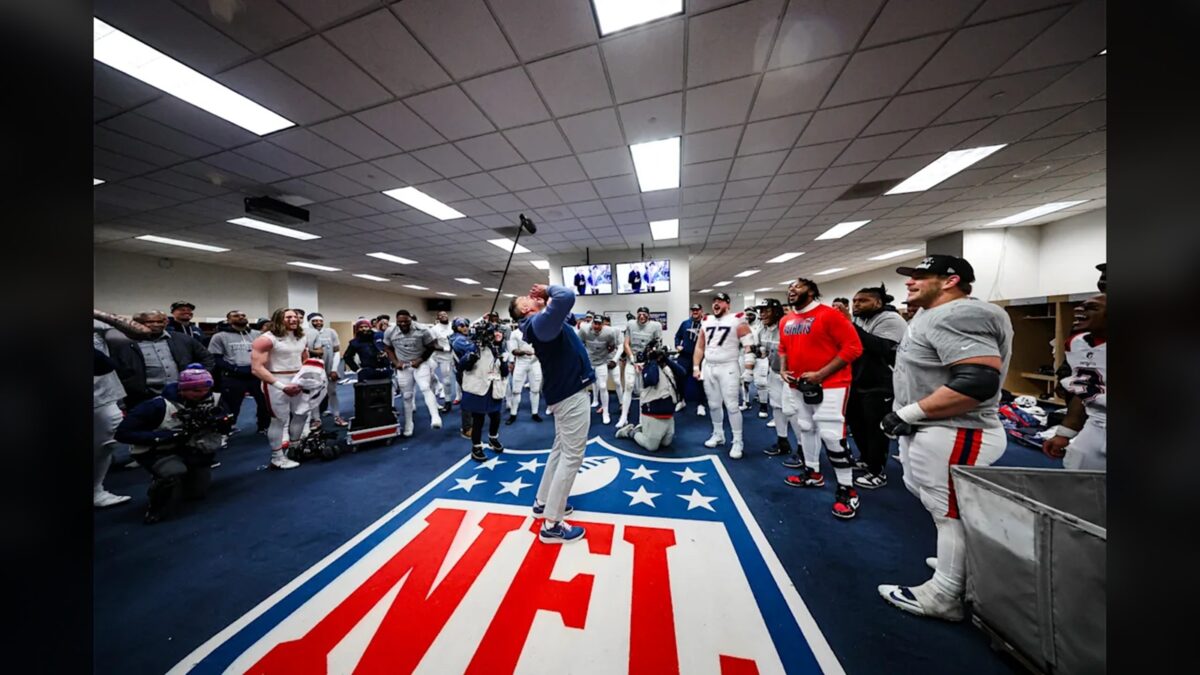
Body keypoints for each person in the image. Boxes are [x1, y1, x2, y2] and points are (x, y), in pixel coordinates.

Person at [877, 255, 1013, 621]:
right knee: (926, 494)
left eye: (921, 276)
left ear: (950, 280)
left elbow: (977, 382)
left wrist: (907, 413)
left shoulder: (960, 313)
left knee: (949, 512)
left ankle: (945, 594)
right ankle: (962, 565)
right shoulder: (929, 314)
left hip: (957, 428)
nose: (909, 283)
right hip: (934, 428)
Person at [509, 284, 596, 544]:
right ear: (525, 309)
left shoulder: (541, 324)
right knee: (572, 457)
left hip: (563, 392)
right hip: (570, 394)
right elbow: (567, 297)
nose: (531, 296)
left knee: (560, 451)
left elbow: (567, 314)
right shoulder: (539, 324)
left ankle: (543, 503)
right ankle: (552, 524)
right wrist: (548, 290)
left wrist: (546, 299)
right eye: (526, 297)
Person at [778, 277, 864, 519]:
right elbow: (783, 348)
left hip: (832, 384)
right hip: (798, 384)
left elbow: (853, 348)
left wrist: (821, 374)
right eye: (789, 287)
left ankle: (848, 490)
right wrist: (784, 369)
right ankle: (812, 473)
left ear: (812, 291)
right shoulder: (787, 320)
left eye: (797, 286)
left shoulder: (830, 315)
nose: (791, 289)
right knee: (805, 428)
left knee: (831, 435)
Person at [114, 364, 235, 523]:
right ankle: (156, 505)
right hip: (159, 449)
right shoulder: (156, 406)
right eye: (196, 391)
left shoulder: (215, 399)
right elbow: (122, 433)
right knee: (172, 473)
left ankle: (183, 479)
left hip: (194, 447)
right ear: (182, 389)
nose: (203, 394)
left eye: (206, 389)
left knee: (195, 494)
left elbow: (227, 422)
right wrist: (163, 436)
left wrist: (219, 423)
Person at [847, 284, 908, 489]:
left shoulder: (891, 319)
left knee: (875, 429)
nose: (856, 304)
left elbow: (879, 347)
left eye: (862, 301)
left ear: (878, 302)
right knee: (857, 424)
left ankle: (877, 471)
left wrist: (849, 325)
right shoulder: (858, 319)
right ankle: (865, 458)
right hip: (858, 380)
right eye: (855, 301)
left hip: (880, 383)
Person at [92, 309, 152, 507]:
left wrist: (97, 313)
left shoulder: (96, 323)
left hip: (102, 394)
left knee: (106, 443)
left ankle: (96, 490)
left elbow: (142, 332)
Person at [1042, 294, 1106, 471]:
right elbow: (1084, 391)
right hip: (1096, 424)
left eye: (1091, 308)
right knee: (1077, 480)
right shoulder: (1076, 343)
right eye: (1081, 306)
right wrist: (1065, 433)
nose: (1079, 310)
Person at [106, 310, 215, 408]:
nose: (157, 325)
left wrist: (197, 378)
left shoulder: (182, 339)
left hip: (180, 396)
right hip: (141, 398)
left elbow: (207, 358)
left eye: (161, 321)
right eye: (150, 322)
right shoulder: (122, 342)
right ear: (137, 323)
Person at [694, 292, 752, 458]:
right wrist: (696, 366)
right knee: (713, 405)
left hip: (728, 367)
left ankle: (737, 440)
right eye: (714, 301)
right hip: (710, 367)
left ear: (728, 304)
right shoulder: (707, 320)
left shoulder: (737, 319)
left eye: (720, 301)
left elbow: (749, 345)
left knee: (732, 406)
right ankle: (718, 434)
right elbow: (700, 346)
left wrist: (748, 368)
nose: (716, 304)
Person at [251, 308, 309, 470]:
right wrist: (281, 386)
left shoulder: (301, 336)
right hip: (276, 381)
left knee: (301, 414)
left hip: (298, 379)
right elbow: (256, 368)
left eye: (295, 317)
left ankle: (295, 448)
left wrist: (309, 377)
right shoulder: (266, 339)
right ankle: (277, 457)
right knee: (279, 420)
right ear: (278, 319)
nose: (293, 319)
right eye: (288, 317)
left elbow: (305, 359)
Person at [208, 310, 271, 434]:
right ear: (229, 320)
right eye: (236, 316)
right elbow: (216, 358)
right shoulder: (220, 336)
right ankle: (226, 431)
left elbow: (267, 353)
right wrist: (235, 369)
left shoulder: (258, 335)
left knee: (264, 403)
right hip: (233, 376)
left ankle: (263, 426)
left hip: (256, 375)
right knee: (231, 406)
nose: (241, 317)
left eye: (243, 315)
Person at [454, 319, 509, 462]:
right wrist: (471, 358)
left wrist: (502, 360)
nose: (488, 338)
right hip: (477, 388)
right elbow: (461, 367)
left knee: (496, 416)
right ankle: (476, 446)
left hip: (493, 387)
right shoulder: (470, 347)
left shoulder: (497, 348)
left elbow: (504, 371)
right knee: (478, 419)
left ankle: (493, 438)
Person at [755, 299, 804, 458]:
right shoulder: (763, 331)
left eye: (766, 310)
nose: (762, 314)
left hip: (792, 375)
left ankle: (803, 449)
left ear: (776, 311)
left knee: (793, 412)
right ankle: (782, 442)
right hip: (774, 372)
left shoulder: (788, 327)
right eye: (761, 310)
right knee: (776, 407)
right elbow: (764, 352)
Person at [616, 340, 686, 451]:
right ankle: (630, 432)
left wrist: (665, 359)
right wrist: (653, 360)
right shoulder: (646, 367)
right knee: (651, 446)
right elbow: (653, 379)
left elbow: (682, 373)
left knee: (666, 443)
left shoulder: (666, 366)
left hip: (668, 413)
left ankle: (643, 429)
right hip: (653, 412)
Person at [383, 309, 442, 435]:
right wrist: (395, 362)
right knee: (407, 396)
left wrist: (420, 360)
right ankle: (409, 424)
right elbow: (387, 348)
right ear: (396, 321)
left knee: (425, 387)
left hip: (421, 363)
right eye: (400, 322)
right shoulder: (390, 331)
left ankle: (435, 417)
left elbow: (431, 347)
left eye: (406, 321)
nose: (403, 324)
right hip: (403, 365)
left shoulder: (423, 330)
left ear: (411, 320)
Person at [619, 306, 665, 428]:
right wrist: (633, 359)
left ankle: (641, 418)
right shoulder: (631, 324)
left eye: (644, 314)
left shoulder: (656, 326)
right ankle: (623, 417)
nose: (642, 316)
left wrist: (646, 360)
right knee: (628, 387)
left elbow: (657, 346)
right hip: (632, 360)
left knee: (643, 391)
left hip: (646, 362)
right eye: (640, 314)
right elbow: (626, 344)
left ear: (648, 315)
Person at [305, 313, 345, 427]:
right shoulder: (305, 333)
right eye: (315, 321)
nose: (318, 323)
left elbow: (337, 351)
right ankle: (316, 419)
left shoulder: (331, 332)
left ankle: (337, 416)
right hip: (314, 369)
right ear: (310, 322)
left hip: (329, 368)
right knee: (314, 394)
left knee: (332, 392)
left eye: (320, 320)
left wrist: (334, 369)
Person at [578, 315, 619, 424]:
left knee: (603, 386)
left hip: (601, 362)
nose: (596, 326)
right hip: (588, 362)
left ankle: (606, 412)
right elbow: (578, 344)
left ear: (602, 325)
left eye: (599, 324)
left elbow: (612, 346)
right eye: (594, 323)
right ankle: (583, 412)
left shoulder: (609, 332)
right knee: (584, 386)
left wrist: (602, 354)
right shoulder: (584, 330)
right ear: (592, 323)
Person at [675, 303, 707, 417]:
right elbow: (677, 336)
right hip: (685, 356)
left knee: (700, 381)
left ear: (701, 311)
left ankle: (701, 404)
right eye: (693, 310)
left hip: (700, 357)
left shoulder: (706, 324)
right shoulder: (685, 324)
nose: (695, 312)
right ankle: (681, 401)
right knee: (680, 380)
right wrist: (677, 345)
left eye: (697, 310)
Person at [506, 327, 543, 423]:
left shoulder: (538, 329)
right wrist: (523, 352)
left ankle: (535, 413)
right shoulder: (515, 333)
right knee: (516, 390)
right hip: (521, 362)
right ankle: (513, 414)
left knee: (535, 390)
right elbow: (513, 350)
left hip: (535, 362)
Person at [428, 311, 458, 414]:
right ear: (437, 318)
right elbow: (434, 345)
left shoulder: (453, 326)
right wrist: (447, 348)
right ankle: (440, 402)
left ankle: (453, 399)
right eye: (441, 315)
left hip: (451, 356)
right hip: (438, 356)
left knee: (453, 379)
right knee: (439, 379)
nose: (444, 316)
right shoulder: (434, 329)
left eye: (445, 315)